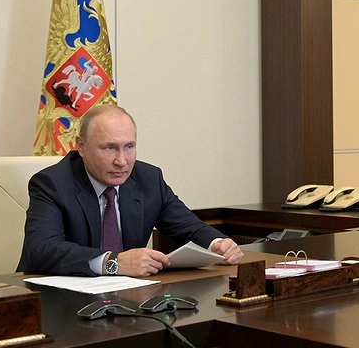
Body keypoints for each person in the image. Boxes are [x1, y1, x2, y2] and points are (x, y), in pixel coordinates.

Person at [17, 104, 243, 276]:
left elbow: (188, 226)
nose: (122, 161)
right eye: (109, 148)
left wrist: (218, 244)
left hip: (128, 298)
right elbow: (41, 251)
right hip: (60, 301)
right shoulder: (52, 183)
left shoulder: (148, 179)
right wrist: (113, 262)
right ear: (81, 146)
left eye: (129, 147)